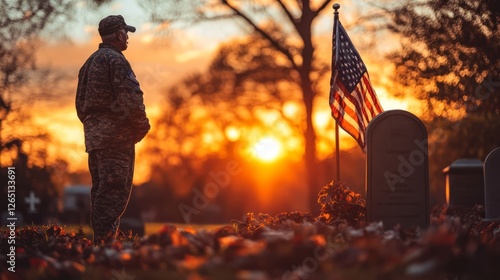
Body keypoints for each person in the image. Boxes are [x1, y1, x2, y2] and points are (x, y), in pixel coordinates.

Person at [76, 15, 150, 245]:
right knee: (114, 192)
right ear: (119, 34)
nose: (128, 37)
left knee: (101, 191)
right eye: (126, 33)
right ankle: (104, 246)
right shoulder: (116, 61)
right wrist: (141, 127)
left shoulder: (88, 63)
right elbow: (130, 98)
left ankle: (101, 243)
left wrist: (95, 128)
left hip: (94, 138)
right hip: (116, 139)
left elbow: (80, 105)